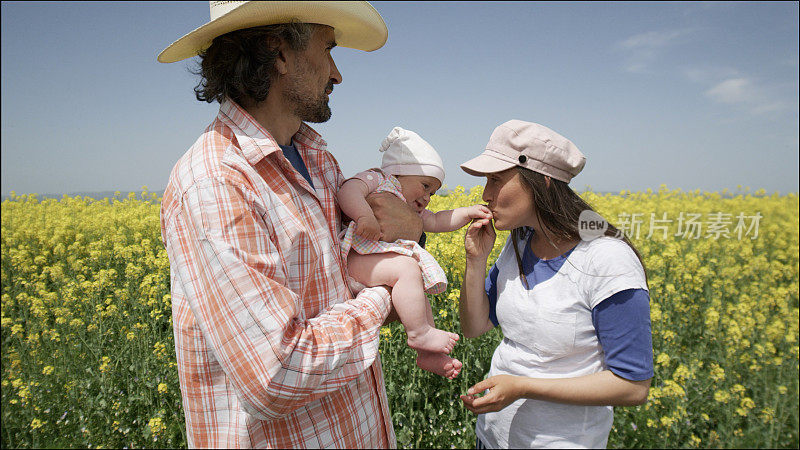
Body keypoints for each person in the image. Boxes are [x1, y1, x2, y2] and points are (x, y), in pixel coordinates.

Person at [158, 2, 416, 447]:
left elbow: (351, 273)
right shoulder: (216, 182)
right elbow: (275, 374)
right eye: (328, 49)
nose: (337, 74)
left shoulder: (319, 163)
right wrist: (383, 297)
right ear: (278, 53)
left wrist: (406, 235)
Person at [457, 120, 653, 448]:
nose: (485, 195)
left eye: (496, 180)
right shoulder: (519, 240)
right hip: (491, 438)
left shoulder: (607, 260)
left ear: (543, 182)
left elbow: (633, 386)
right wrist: (475, 261)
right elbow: (474, 327)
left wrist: (523, 387)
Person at [338, 127, 492, 379]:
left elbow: (437, 221)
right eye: (424, 185)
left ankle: (426, 352)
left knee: (415, 286)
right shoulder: (379, 180)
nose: (428, 196)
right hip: (355, 258)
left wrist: (467, 213)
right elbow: (348, 190)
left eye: (433, 192)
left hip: (371, 262)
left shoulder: (412, 209)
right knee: (407, 269)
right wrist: (364, 215)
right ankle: (419, 333)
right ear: (399, 171)